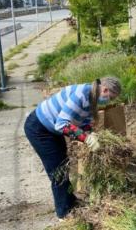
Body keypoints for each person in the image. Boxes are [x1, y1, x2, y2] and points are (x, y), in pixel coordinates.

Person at [23, 77, 121, 219]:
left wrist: (89, 132)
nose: (109, 101)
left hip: (50, 129)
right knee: (58, 173)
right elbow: (62, 124)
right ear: (105, 90)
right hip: (39, 129)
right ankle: (64, 214)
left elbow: (84, 120)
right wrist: (86, 138)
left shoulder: (92, 97)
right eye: (110, 98)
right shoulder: (82, 94)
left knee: (63, 165)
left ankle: (70, 202)